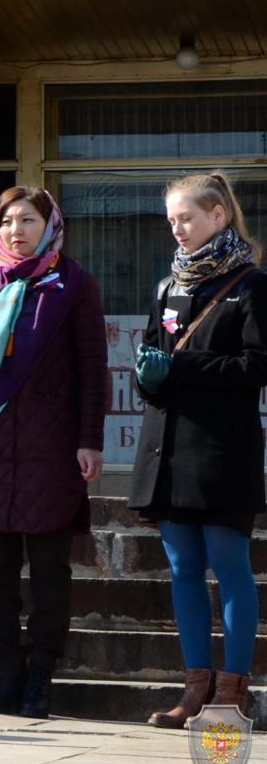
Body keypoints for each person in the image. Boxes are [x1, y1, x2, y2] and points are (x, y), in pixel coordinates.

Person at [0, 187, 105, 719]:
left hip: (50, 451)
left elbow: (91, 368)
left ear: (50, 224)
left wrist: (90, 439)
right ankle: (6, 675)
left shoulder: (74, 286)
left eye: (28, 220)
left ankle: (41, 676)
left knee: (50, 572)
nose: (17, 230)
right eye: (8, 220)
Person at [129, 172, 267, 729]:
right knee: (183, 568)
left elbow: (258, 366)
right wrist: (148, 376)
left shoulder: (252, 284)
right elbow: (152, 360)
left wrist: (180, 366)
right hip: (166, 447)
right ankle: (194, 686)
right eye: (171, 221)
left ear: (218, 215)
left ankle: (235, 691)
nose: (177, 230)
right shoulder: (169, 286)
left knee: (229, 566)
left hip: (221, 449)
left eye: (186, 218)